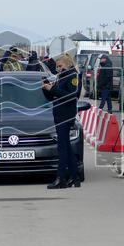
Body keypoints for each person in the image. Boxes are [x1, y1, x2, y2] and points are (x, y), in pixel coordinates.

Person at [42, 54, 81, 189]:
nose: (58, 69)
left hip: (66, 116)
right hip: (59, 115)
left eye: (60, 66)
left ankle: (61, 178)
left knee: (62, 148)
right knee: (67, 147)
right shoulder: (63, 76)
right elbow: (54, 97)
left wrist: (53, 89)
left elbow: (70, 96)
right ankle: (74, 177)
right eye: (57, 66)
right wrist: (47, 89)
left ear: (68, 64)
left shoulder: (72, 76)